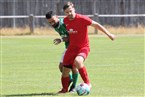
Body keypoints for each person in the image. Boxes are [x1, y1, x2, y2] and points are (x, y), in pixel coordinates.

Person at [58, 2, 115, 93]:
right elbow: (69, 35)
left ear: (74, 9)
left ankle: (88, 83)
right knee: (65, 70)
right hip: (71, 48)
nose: (69, 13)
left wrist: (109, 34)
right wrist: (61, 39)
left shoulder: (82, 19)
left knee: (78, 61)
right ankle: (64, 90)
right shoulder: (65, 21)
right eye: (67, 12)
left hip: (83, 47)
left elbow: (96, 25)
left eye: (70, 11)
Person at [45, 11, 79, 92]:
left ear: (57, 16)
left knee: (73, 67)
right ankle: (69, 79)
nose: (52, 23)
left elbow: (72, 36)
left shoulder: (64, 23)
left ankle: (74, 86)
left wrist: (61, 39)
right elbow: (65, 36)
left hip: (75, 46)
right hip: (68, 47)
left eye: (53, 20)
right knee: (61, 67)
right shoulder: (56, 25)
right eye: (50, 22)